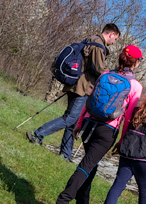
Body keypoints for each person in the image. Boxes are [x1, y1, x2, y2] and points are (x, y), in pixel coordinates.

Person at [52, 45, 144, 204]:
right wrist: (122, 141)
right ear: (136, 63)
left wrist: (79, 123)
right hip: (107, 130)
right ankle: (62, 202)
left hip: (88, 123)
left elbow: (90, 100)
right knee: (86, 165)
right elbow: (128, 118)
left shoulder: (105, 75)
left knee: (90, 164)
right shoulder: (135, 86)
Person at [27, 24, 121, 161]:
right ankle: (37, 134)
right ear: (111, 34)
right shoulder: (98, 45)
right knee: (70, 118)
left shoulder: (90, 40)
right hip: (82, 88)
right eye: (115, 39)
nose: (114, 42)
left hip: (76, 84)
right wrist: (113, 76)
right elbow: (99, 70)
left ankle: (65, 154)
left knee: (73, 121)